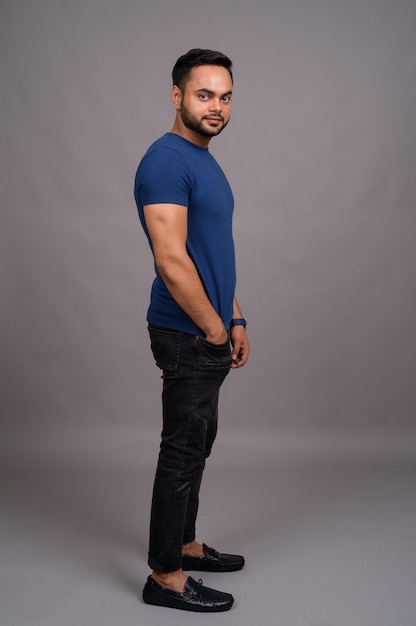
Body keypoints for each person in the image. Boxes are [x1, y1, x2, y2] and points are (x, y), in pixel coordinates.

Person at [134, 48, 250, 613]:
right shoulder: (164, 160)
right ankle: (165, 577)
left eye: (225, 96)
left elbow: (211, 253)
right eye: (205, 94)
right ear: (177, 95)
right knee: (180, 453)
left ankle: (183, 543)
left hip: (208, 326)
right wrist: (211, 329)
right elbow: (173, 260)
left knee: (197, 447)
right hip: (184, 332)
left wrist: (235, 316)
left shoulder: (205, 158)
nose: (217, 107)